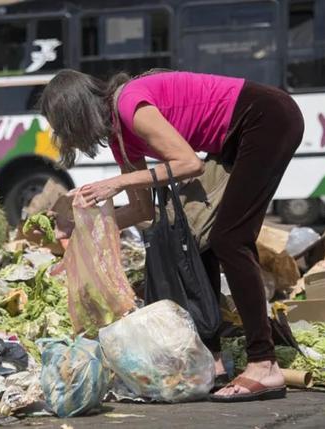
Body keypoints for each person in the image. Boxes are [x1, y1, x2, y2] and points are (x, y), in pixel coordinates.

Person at [40, 69, 304, 402]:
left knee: (231, 239)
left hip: (264, 117)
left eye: (61, 125)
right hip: (236, 135)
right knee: (195, 240)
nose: (63, 135)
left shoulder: (128, 104)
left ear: (74, 113)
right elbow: (142, 212)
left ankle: (264, 364)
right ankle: (215, 359)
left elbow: (189, 163)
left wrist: (115, 184)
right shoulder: (121, 138)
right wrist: (80, 225)